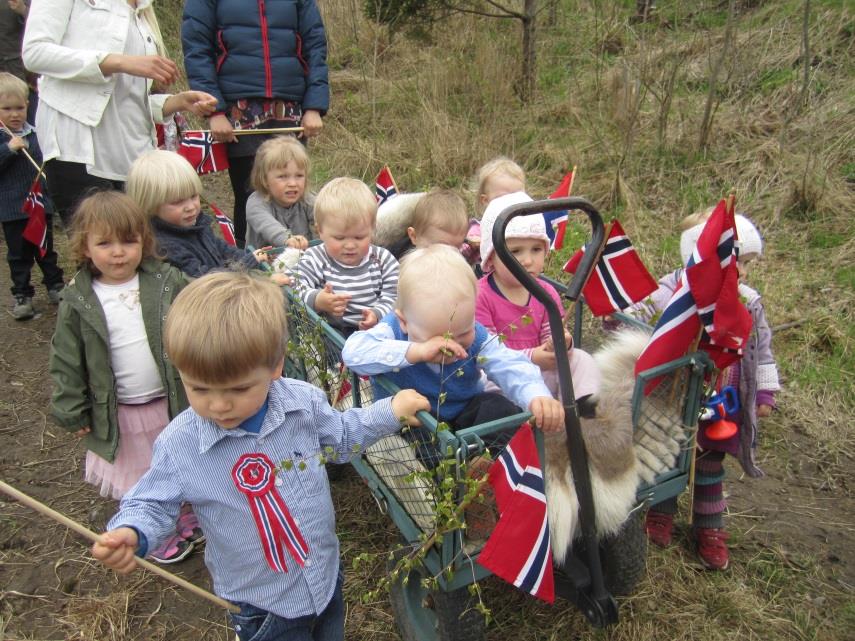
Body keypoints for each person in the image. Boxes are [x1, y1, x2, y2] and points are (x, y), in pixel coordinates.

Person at [90, 271, 429, 641]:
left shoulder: (303, 404)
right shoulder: (180, 444)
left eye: (238, 388)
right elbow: (153, 503)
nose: (219, 405)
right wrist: (133, 531)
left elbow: (343, 437)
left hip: (323, 578)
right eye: (199, 388)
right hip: (262, 607)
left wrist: (389, 411)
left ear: (275, 367)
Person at [48, 191, 204, 563]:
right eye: (105, 243)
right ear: (85, 247)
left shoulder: (166, 282)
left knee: (176, 461)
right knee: (141, 472)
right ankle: (150, 527)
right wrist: (72, 408)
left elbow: (197, 313)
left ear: (144, 241)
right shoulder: (79, 301)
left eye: (128, 241)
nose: (118, 252)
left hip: (169, 398)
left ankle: (182, 512)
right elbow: (66, 359)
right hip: (122, 409)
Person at [634, 209, 780, 571]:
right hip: (676, 393)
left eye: (748, 263)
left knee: (709, 460)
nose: (743, 272)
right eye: (737, 261)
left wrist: (764, 392)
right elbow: (645, 317)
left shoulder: (747, 301)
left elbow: (760, 349)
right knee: (669, 453)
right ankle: (660, 512)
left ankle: (709, 527)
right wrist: (619, 313)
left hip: (720, 396)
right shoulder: (674, 291)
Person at [21, 0, 218, 226]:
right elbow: (34, 52)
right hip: (80, 147)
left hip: (134, 156)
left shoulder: (143, 9)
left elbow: (126, 99)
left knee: (144, 250)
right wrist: (119, 61)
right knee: (102, 251)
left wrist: (178, 101)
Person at [341, 245, 565, 437]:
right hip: (414, 419)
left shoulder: (477, 336)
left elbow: (510, 364)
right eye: (438, 338)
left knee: (498, 407)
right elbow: (353, 352)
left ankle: (480, 465)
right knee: (417, 441)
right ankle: (450, 472)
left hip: (463, 411)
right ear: (405, 322)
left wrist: (536, 395)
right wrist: (416, 351)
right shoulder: (392, 329)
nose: (453, 344)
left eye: (463, 332)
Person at [182, 0, 329, 247]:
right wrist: (214, 110)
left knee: (293, 187)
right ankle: (249, 261)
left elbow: (315, 44)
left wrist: (314, 105)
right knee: (251, 193)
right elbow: (197, 47)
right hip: (239, 108)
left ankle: (301, 260)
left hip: (290, 104)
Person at [476, 191, 601, 409]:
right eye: (515, 251)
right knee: (486, 385)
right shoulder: (481, 295)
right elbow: (488, 353)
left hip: (542, 371)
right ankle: (525, 422)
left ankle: (580, 411)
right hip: (505, 376)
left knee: (581, 360)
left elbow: (549, 333)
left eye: (536, 249)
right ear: (491, 258)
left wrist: (560, 343)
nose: (527, 260)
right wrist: (532, 357)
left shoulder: (546, 293)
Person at [126, 149, 285, 282]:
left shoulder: (195, 225)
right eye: (177, 202)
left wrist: (249, 256)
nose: (190, 207)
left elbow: (222, 248)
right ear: (150, 205)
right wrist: (248, 263)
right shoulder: (164, 246)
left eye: (194, 196)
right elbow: (205, 278)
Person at [292, 177, 398, 336]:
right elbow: (294, 283)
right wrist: (317, 300)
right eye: (340, 238)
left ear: (372, 229)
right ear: (320, 230)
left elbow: (396, 293)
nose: (350, 245)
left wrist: (377, 314)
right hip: (332, 330)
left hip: (376, 329)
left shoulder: (382, 259)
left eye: (359, 237)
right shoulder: (316, 257)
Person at [0, 72, 64, 320]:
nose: (14, 114)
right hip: (13, 208)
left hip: (40, 203)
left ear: (28, 106)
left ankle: (55, 285)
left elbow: (45, 163)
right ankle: (22, 294)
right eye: (6, 109)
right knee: (19, 253)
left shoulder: (36, 134)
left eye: (19, 108)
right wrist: (8, 149)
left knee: (45, 248)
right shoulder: (4, 138)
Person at [245, 136, 315, 251]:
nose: (292, 183)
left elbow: (323, 212)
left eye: (299, 176)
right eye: (282, 177)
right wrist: (288, 239)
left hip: (302, 260)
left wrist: (329, 223)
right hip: (263, 264)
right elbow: (267, 226)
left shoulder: (306, 197)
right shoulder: (256, 203)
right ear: (265, 179)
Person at [384, 189, 469, 260]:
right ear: (414, 236)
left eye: (456, 249)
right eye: (439, 249)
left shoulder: (459, 264)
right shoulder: (395, 263)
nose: (448, 257)